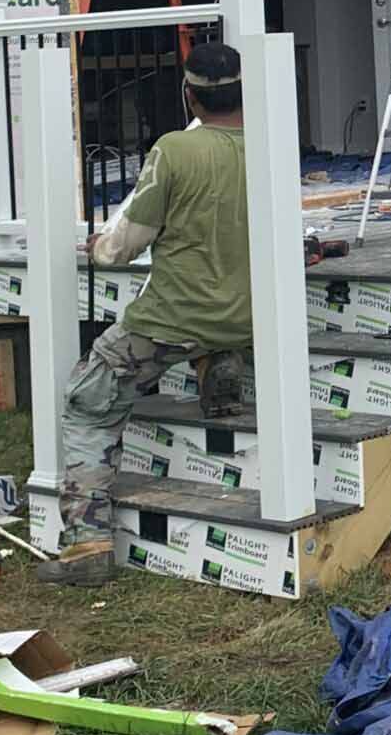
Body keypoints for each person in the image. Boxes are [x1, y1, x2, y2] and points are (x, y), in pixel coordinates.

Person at [60, 38, 253, 540]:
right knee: (215, 318)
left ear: (189, 95)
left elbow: (127, 243)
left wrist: (100, 247)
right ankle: (221, 371)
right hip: (247, 316)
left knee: (88, 399)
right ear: (243, 91)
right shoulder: (270, 146)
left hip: (173, 320)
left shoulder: (174, 150)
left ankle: (86, 542)